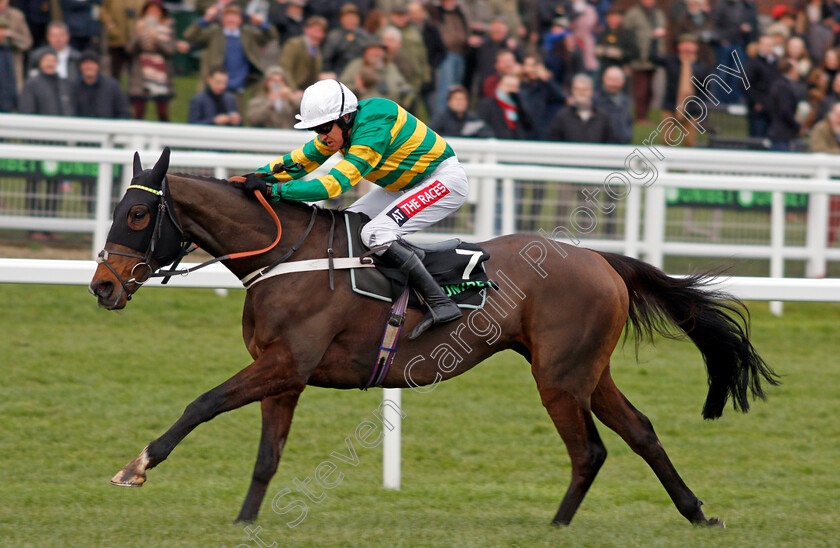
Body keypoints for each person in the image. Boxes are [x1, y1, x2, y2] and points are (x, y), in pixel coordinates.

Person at [242, 79, 466, 338]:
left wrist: (275, 191)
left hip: (443, 181)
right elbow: (300, 161)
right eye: (316, 130)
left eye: (325, 128)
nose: (322, 136)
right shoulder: (341, 128)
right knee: (346, 225)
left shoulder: (374, 127)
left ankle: (440, 302)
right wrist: (256, 177)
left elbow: (334, 186)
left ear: (346, 117)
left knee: (375, 234)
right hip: (404, 184)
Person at [18, 48, 74, 240]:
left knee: (55, 184)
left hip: (58, 144)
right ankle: (34, 228)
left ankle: (50, 226)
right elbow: (26, 111)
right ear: (40, 62)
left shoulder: (64, 84)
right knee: (34, 183)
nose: (50, 63)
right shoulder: (32, 84)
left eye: (53, 60)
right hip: (37, 143)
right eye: (47, 60)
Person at [183, 3, 277, 95]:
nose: (231, 19)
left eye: (235, 16)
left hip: (238, 86)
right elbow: (189, 35)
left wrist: (261, 23)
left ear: (240, 20)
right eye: (228, 16)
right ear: (222, 20)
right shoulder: (214, 32)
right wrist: (206, 19)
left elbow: (272, 36)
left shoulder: (247, 33)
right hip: (216, 86)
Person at [125, 0, 176, 121]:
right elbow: (129, 49)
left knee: (163, 113)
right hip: (141, 74)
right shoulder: (138, 26)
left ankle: (164, 138)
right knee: (138, 111)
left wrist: (156, 39)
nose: (153, 13)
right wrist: (138, 33)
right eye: (150, 10)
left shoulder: (168, 28)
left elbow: (170, 51)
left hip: (161, 76)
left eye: (156, 11)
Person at [623, 0, 666, 122]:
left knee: (650, 90)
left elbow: (662, 35)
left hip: (654, 58)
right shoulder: (633, 13)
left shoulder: (658, 14)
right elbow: (627, 35)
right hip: (638, 58)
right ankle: (640, 116)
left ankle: (645, 114)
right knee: (640, 90)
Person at [548, 72, 615, 143]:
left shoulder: (603, 116)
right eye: (577, 89)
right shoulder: (562, 116)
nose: (581, 93)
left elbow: (611, 141)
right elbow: (554, 141)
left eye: (584, 89)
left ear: (591, 91)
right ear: (572, 91)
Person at [808, 101, 840, 246]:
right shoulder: (821, 128)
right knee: (825, 225)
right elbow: (817, 150)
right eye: (838, 115)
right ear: (831, 115)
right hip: (824, 184)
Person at [519, 55, 566, 140]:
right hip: (524, 133)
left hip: (542, 133)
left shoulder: (545, 87)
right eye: (529, 65)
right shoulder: (518, 86)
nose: (533, 69)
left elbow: (562, 98)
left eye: (535, 66)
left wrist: (547, 79)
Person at [72, 50, 131, 118]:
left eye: (92, 63)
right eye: (86, 63)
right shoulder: (73, 87)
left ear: (98, 66)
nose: (89, 66)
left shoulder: (112, 86)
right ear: (80, 66)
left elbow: (124, 111)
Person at [476, 73, 532, 140]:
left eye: (515, 87)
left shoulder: (519, 106)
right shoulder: (487, 104)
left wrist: (520, 102)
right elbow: (481, 126)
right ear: (499, 85)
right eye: (509, 86)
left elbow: (529, 126)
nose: (511, 90)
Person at [279, 15, 327, 90]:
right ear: (306, 30)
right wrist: (294, 90)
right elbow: (286, 69)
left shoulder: (316, 49)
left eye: (322, 31)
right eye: (317, 31)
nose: (320, 35)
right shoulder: (293, 44)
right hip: (291, 89)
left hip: (308, 91)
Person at [745, 34, 779, 138]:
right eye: (765, 45)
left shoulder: (775, 63)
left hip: (772, 109)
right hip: (758, 110)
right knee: (757, 138)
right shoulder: (752, 63)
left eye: (770, 45)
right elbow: (745, 84)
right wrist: (756, 101)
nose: (767, 48)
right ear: (759, 46)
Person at [321, 3, 370, 76]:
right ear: (341, 19)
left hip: (359, 74)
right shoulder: (334, 36)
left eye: (354, 17)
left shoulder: (364, 36)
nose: (351, 20)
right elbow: (326, 59)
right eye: (348, 17)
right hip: (338, 73)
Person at [101, 0, 145, 79]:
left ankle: (133, 91)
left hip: (135, 40)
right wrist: (110, 24)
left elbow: (147, 12)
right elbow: (103, 10)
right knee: (115, 71)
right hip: (116, 38)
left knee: (135, 72)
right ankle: (114, 90)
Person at [429, 83, 493, 138]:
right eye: (457, 99)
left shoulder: (472, 118)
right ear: (449, 102)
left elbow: (488, 133)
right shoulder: (441, 117)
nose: (460, 102)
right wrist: (459, 135)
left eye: (463, 99)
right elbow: (431, 136)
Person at [767, 58, 803, 151]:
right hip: (781, 134)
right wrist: (796, 125)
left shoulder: (779, 84)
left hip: (780, 132)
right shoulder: (783, 87)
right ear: (791, 70)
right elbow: (785, 111)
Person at [594, 66, 633, 144]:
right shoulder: (596, 100)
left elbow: (628, 122)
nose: (614, 84)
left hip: (623, 145)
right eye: (611, 80)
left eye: (617, 80)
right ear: (604, 79)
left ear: (623, 81)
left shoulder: (625, 100)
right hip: (604, 146)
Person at [0, 0, 32, 94]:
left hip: (12, 58)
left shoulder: (17, 16)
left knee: (14, 91)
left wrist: (10, 35)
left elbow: (27, 41)